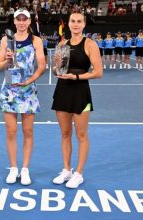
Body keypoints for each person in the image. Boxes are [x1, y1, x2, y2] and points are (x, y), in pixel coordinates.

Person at [51, 12, 103, 188]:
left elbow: (98, 72)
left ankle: (79, 173)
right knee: (65, 134)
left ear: (84, 24)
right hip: (62, 91)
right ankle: (67, 170)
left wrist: (77, 77)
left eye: (79, 21)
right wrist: (55, 65)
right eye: (73, 21)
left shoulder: (90, 44)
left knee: (81, 135)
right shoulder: (62, 44)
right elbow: (56, 71)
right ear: (69, 24)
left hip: (80, 92)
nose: (75, 24)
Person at [0, 8, 46, 185]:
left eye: (25, 19)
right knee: (11, 131)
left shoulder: (36, 41)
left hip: (27, 90)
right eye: (19, 19)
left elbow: (42, 65)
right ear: (15, 21)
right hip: (9, 90)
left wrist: (29, 81)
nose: (22, 22)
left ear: (29, 22)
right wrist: (8, 60)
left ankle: (25, 169)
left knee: (28, 131)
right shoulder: (6, 40)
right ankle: (13, 168)